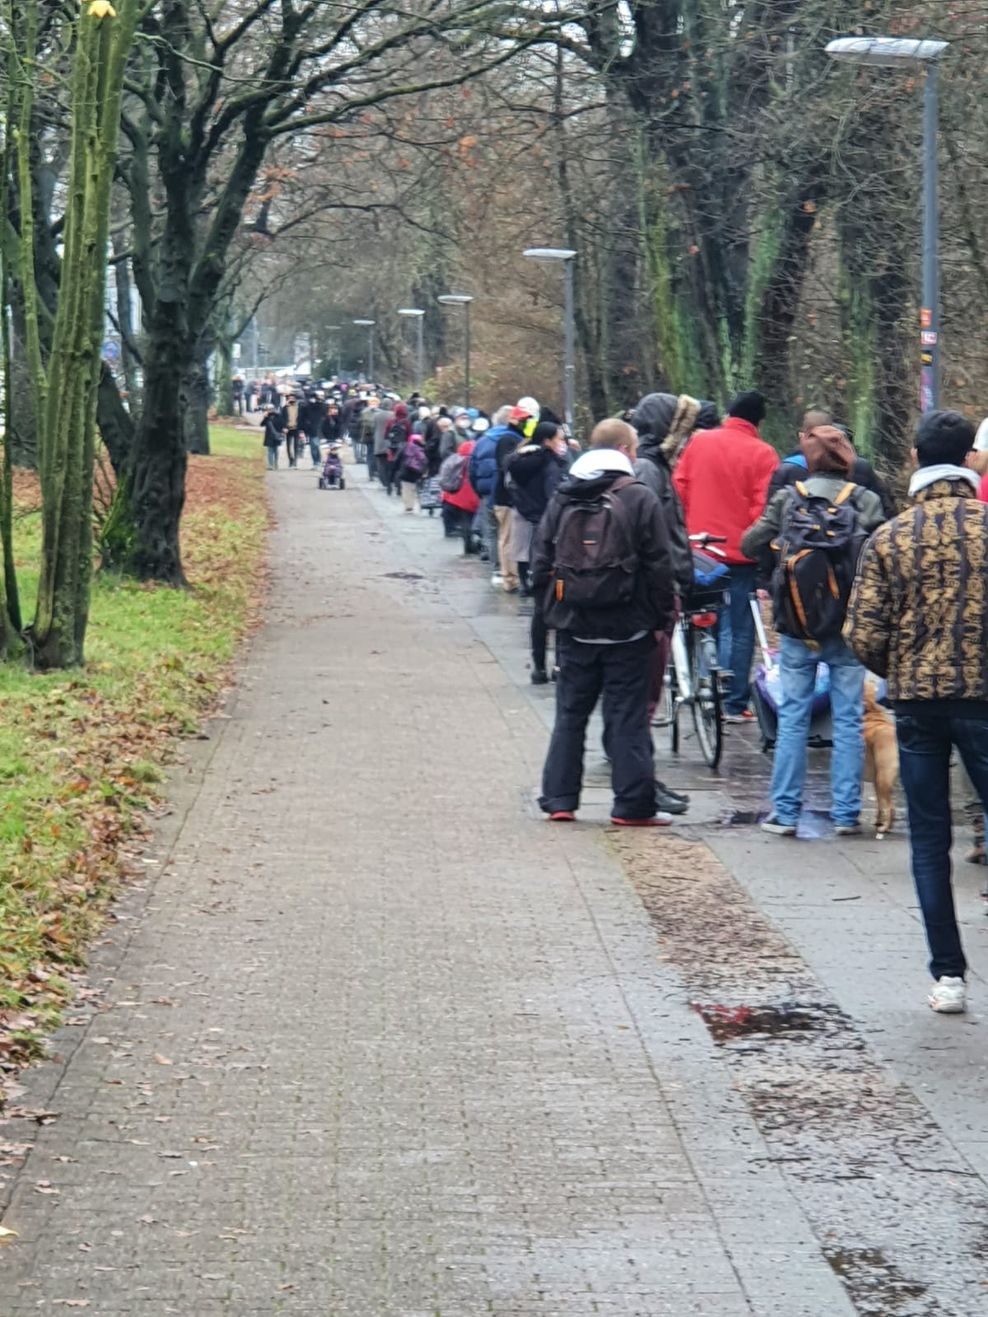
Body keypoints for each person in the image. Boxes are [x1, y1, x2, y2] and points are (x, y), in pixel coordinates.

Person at [845, 410, 988, 1014]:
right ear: (971, 460)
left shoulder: (890, 537)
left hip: (918, 705)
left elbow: (862, 633)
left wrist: (900, 664)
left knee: (929, 839)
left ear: (913, 458)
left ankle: (949, 977)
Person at [533, 418, 677, 826]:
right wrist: (660, 619)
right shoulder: (639, 497)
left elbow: (542, 561)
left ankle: (560, 799)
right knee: (626, 718)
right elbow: (659, 567)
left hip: (575, 626)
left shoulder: (564, 495)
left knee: (570, 716)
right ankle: (631, 806)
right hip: (628, 629)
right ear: (626, 452)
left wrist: (556, 611)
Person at [741, 424, 884, 836]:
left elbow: (751, 544)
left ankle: (785, 813)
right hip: (846, 624)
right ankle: (845, 814)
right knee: (849, 718)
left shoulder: (789, 499)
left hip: (797, 622)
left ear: (809, 459)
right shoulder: (866, 501)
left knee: (793, 716)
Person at [673, 390, 778, 722]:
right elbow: (762, 509)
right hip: (740, 554)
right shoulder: (763, 454)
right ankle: (733, 702)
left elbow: (680, 490)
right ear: (758, 421)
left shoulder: (698, 444)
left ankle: (705, 690)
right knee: (740, 627)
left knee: (707, 618)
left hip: (700, 549)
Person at [504, 421, 571, 683]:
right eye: (560, 438)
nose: (563, 442)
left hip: (534, 540)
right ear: (548, 441)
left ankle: (539, 666)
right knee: (562, 602)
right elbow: (555, 502)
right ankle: (559, 666)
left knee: (540, 609)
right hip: (553, 543)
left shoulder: (521, 463)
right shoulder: (552, 467)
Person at [767, 408, 897, 519]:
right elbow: (886, 517)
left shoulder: (786, 492)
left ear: (804, 438)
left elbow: (756, 540)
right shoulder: (867, 496)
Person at [440, 437, 480, 550]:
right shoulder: (474, 460)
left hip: (456, 493)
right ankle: (470, 544)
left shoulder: (455, 459)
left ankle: (467, 543)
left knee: (464, 519)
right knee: (470, 519)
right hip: (472, 493)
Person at [395, 429, 428, 512]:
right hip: (416, 471)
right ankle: (412, 503)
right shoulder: (422, 449)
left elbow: (397, 459)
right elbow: (424, 461)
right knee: (413, 488)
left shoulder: (405, 447)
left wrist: (396, 468)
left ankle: (408, 505)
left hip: (405, 470)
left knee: (406, 488)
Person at [280, 393, 301, 468]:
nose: (291, 399)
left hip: (296, 428)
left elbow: (301, 418)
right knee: (288, 446)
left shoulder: (299, 407)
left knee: (296, 445)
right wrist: (283, 427)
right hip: (288, 429)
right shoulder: (284, 408)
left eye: (293, 398)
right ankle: (290, 460)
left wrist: (301, 429)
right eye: (290, 398)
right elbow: (281, 418)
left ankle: (295, 461)